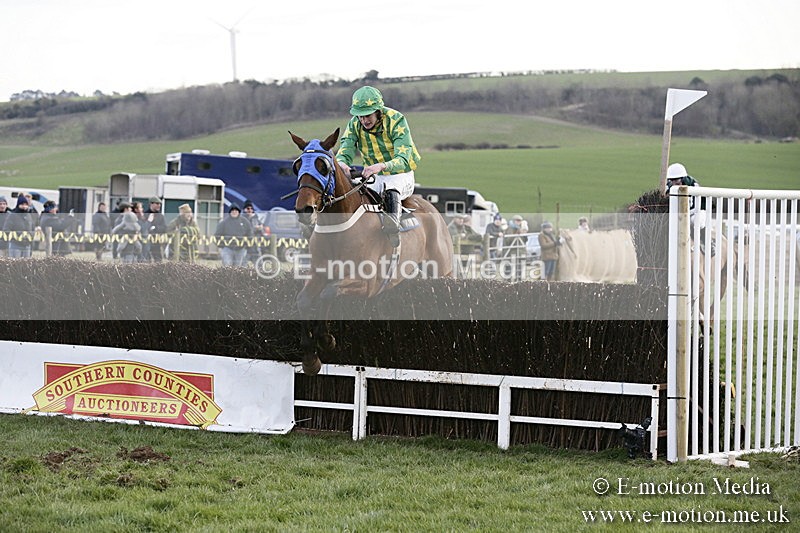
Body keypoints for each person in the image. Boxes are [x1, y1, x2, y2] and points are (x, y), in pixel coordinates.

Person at [335, 85, 421, 248]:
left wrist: (381, 166)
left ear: (378, 111)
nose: (363, 121)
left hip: (400, 174)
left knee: (390, 189)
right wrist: (342, 164)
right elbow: (346, 148)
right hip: (373, 175)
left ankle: (393, 232)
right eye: (359, 116)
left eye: (367, 116)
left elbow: (403, 159)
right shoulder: (355, 124)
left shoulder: (397, 120)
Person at [666, 162, 713, 255]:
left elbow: (702, 201)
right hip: (678, 213)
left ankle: (707, 243)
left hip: (695, 210)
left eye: (676, 180)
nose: (674, 183)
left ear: (683, 178)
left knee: (697, 222)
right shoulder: (668, 186)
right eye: (672, 180)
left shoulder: (693, 185)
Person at [144, 196, 167, 262]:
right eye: (157, 204)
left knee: (158, 261)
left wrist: (155, 228)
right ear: (151, 204)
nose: (159, 205)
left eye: (160, 204)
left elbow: (164, 228)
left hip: (157, 243)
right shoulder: (145, 215)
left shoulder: (160, 216)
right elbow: (143, 228)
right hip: (146, 242)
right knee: (146, 261)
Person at [242, 201, 263, 266]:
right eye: (248, 208)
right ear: (244, 209)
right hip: (245, 245)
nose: (250, 210)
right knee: (243, 263)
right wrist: (254, 229)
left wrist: (260, 228)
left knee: (259, 263)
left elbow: (261, 230)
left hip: (255, 245)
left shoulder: (256, 218)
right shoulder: (242, 219)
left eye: (251, 208)